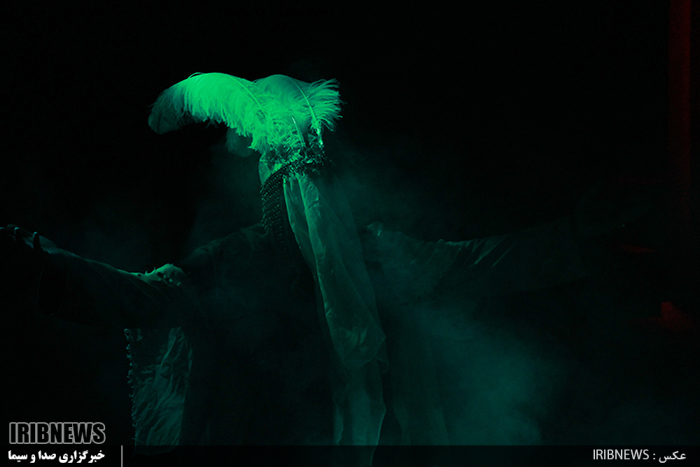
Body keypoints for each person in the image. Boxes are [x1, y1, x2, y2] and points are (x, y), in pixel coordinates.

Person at [0, 73, 651, 464]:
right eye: (288, 181)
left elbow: (475, 264)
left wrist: (575, 234)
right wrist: (41, 262)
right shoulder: (240, 259)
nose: (301, 193)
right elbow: (145, 298)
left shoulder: (374, 254)